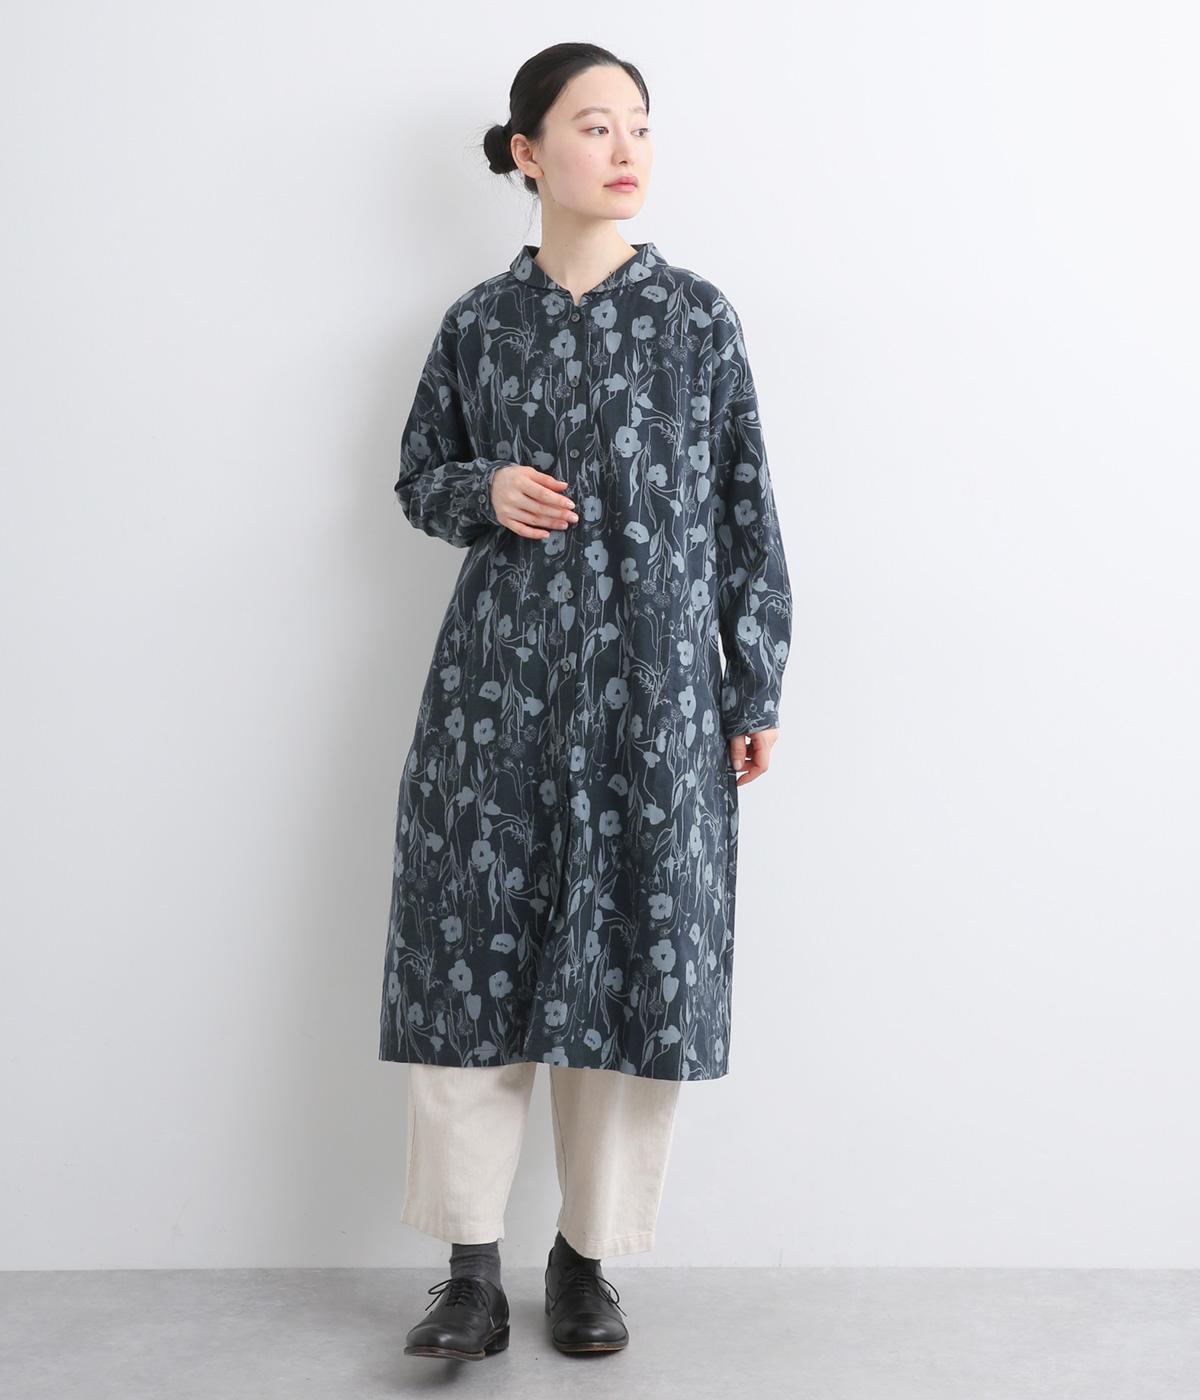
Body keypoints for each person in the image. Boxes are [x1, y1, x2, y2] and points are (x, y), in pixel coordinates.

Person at [380, 41, 793, 1361]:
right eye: (594, 125)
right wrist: (484, 488)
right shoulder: (478, 324)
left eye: (641, 127)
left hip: (653, 710)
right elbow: (419, 477)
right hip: (494, 701)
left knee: (629, 966)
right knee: (469, 966)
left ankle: (584, 1262)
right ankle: (467, 1274)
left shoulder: (698, 319)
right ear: (527, 152)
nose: (625, 150)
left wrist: (753, 676)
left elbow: (744, 512)